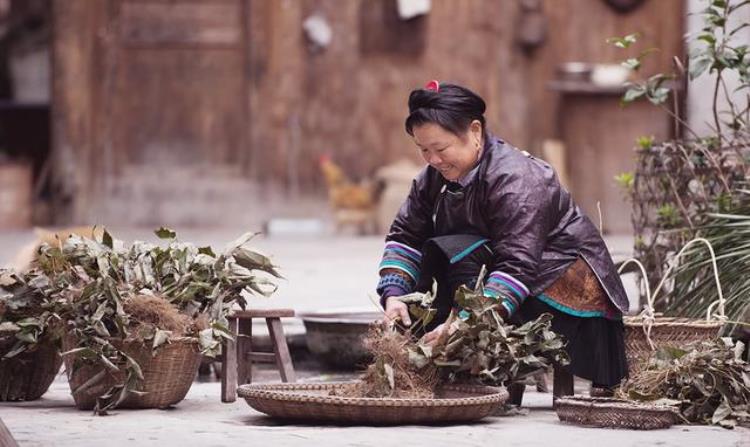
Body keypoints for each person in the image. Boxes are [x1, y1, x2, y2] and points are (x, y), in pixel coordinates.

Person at [376, 80, 629, 390]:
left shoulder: (518, 179)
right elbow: (405, 236)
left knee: (463, 252)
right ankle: (435, 353)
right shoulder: (432, 178)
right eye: (423, 150)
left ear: (475, 132)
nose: (433, 160)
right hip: (507, 280)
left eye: (440, 149)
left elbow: (516, 265)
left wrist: (466, 322)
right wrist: (394, 296)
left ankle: (471, 361)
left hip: (566, 299)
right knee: (438, 254)